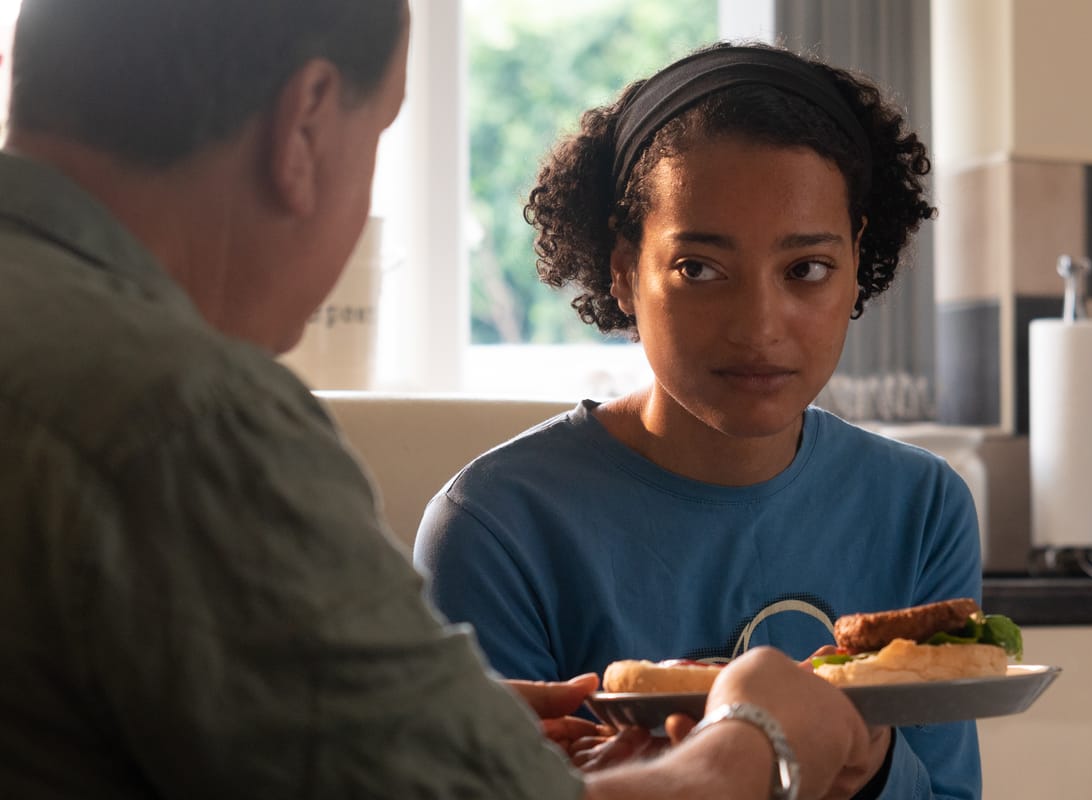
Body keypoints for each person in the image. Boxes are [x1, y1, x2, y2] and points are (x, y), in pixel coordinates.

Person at [0, 2, 890, 798]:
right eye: (381, 132)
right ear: (305, 124)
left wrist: (415, 728)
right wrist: (757, 745)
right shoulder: (188, 420)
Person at [414, 42, 983, 798]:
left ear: (857, 266)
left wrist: (868, 764)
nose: (759, 325)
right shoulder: (496, 527)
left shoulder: (923, 508)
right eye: (699, 269)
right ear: (624, 271)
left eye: (806, 269)